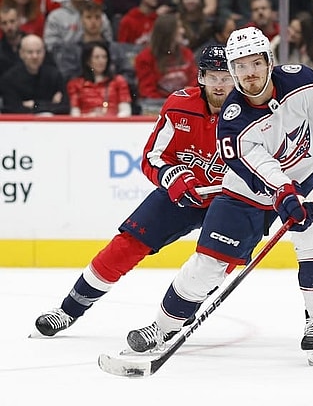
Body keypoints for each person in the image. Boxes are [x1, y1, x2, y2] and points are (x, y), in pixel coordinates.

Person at [124, 27, 313, 367]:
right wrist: (283, 192)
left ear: (269, 61)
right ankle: (162, 327)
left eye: (255, 63)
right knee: (208, 264)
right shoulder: (232, 122)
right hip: (247, 188)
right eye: (239, 66)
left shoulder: (302, 81)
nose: (249, 73)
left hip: (306, 175)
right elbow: (259, 169)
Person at [33, 45, 235, 337]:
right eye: (213, 76)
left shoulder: (252, 113)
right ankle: (67, 310)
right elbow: (152, 157)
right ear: (200, 77)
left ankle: (183, 311)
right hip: (182, 194)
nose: (219, 84)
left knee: (216, 259)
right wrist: (174, 177)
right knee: (126, 244)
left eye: (226, 76)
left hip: (230, 200)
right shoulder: (179, 105)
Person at [0, 34, 69, 114]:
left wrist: (35, 104)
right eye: (30, 52)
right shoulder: (9, 79)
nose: (35, 56)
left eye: (39, 52)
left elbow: (65, 108)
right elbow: (12, 110)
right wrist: (50, 104)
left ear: (44, 53)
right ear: (21, 54)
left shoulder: (55, 75)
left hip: (51, 124)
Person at [134, 13, 198, 99]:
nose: (182, 31)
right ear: (168, 31)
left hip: (185, 103)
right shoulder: (145, 58)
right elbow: (147, 91)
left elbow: (194, 83)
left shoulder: (187, 53)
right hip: (157, 106)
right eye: (179, 27)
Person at [66, 41, 132, 116]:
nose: (101, 61)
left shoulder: (119, 81)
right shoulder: (75, 84)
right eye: (97, 57)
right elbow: (75, 113)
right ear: (88, 61)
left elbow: (125, 110)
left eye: (104, 57)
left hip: (113, 124)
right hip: (86, 124)